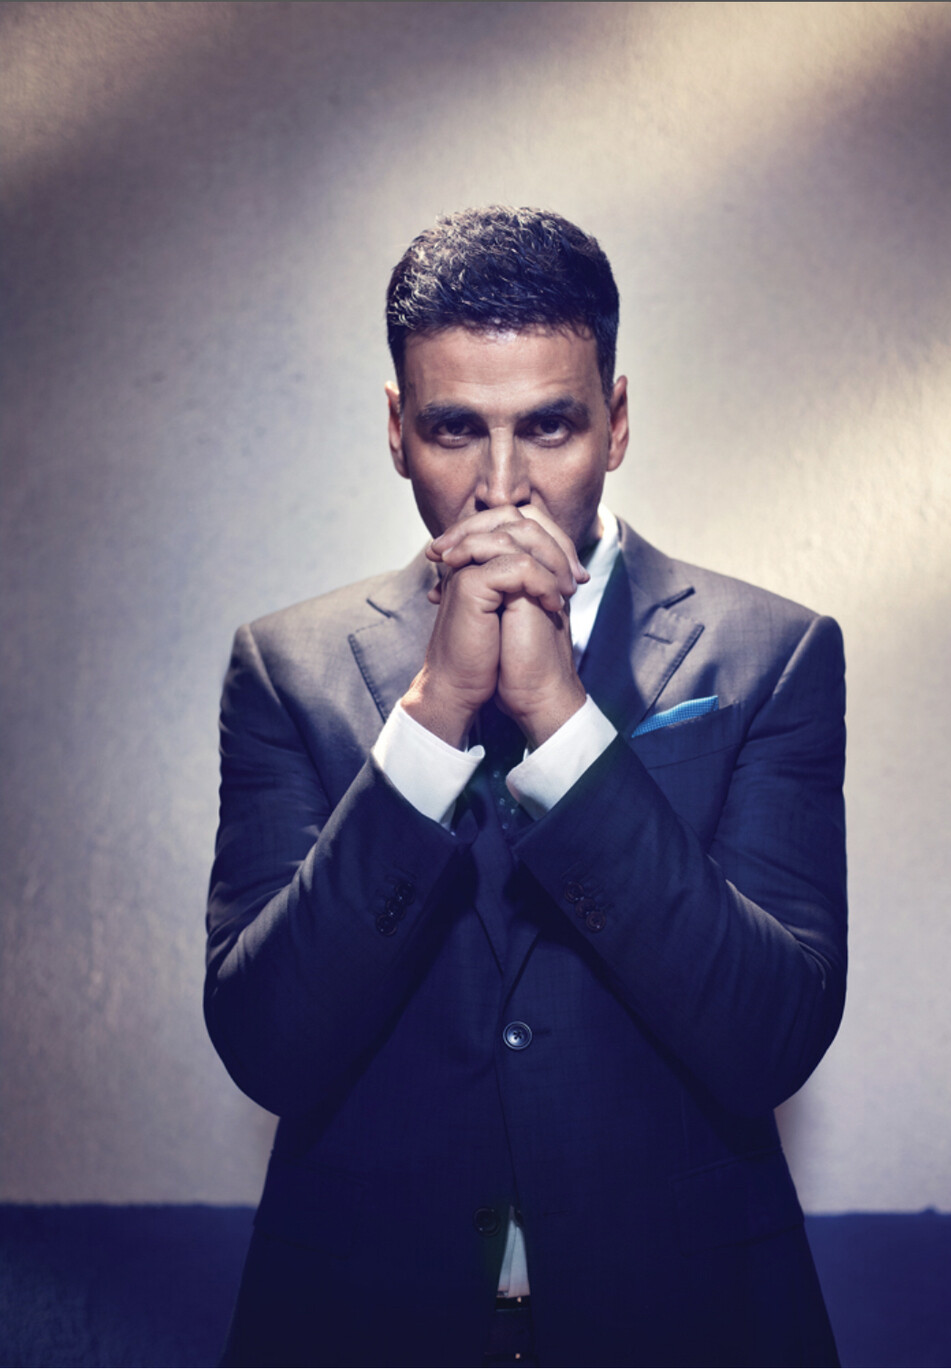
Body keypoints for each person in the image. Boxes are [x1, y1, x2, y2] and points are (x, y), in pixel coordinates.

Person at [205, 206, 847, 1369]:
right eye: (456, 428)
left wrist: (559, 719)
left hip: (687, 1319)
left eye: (548, 425)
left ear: (616, 421)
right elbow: (269, 1047)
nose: (502, 489)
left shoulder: (770, 654)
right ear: (397, 431)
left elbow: (769, 1040)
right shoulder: (286, 666)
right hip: (360, 1321)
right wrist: (433, 714)